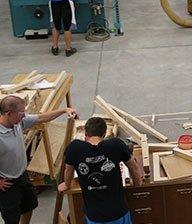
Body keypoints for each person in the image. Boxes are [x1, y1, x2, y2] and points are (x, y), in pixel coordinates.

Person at [0, 96, 78, 224]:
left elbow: (41, 117)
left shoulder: (18, 123)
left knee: (29, 206)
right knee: (11, 218)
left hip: (22, 176)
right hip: (8, 185)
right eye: (21, 113)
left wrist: (64, 110)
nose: (24, 115)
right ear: (9, 114)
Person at [58, 117, 143, 224]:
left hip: (95, 217)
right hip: (118, 213)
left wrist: (66, 184)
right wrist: (137, 185)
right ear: (104, 134)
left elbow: (68, 170)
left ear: (86, 135)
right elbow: (134, 167)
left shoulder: (74, 148)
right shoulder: (116, 145)